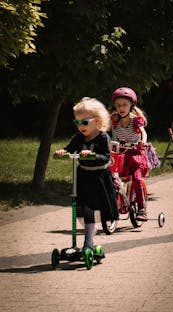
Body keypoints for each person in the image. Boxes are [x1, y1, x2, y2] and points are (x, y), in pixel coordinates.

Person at [55, 97, 119, 253]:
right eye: (77, 123)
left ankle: (88, 243)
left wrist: (92, 154)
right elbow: (70, 148)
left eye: (84, 122)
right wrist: (64, 151)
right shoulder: (79, 137)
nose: (80, 126)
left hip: (98, 177)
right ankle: (90, 231)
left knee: (90, 208)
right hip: (83, 176)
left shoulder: (103, 137)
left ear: (96, 121)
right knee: (80, 209)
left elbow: (106, 157)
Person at [111, 87, 149, 221]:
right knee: (114, 178)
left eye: (124, 105)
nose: (121, 108)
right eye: (118, 105)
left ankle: (142, 208)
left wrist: (142, 142)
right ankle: (120, 201)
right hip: (121, 154)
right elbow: (112, 136)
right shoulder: (115, 120)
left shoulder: (135, 120)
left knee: (137, 179)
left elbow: (143, 132)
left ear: (131, 105)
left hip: (136, 154)